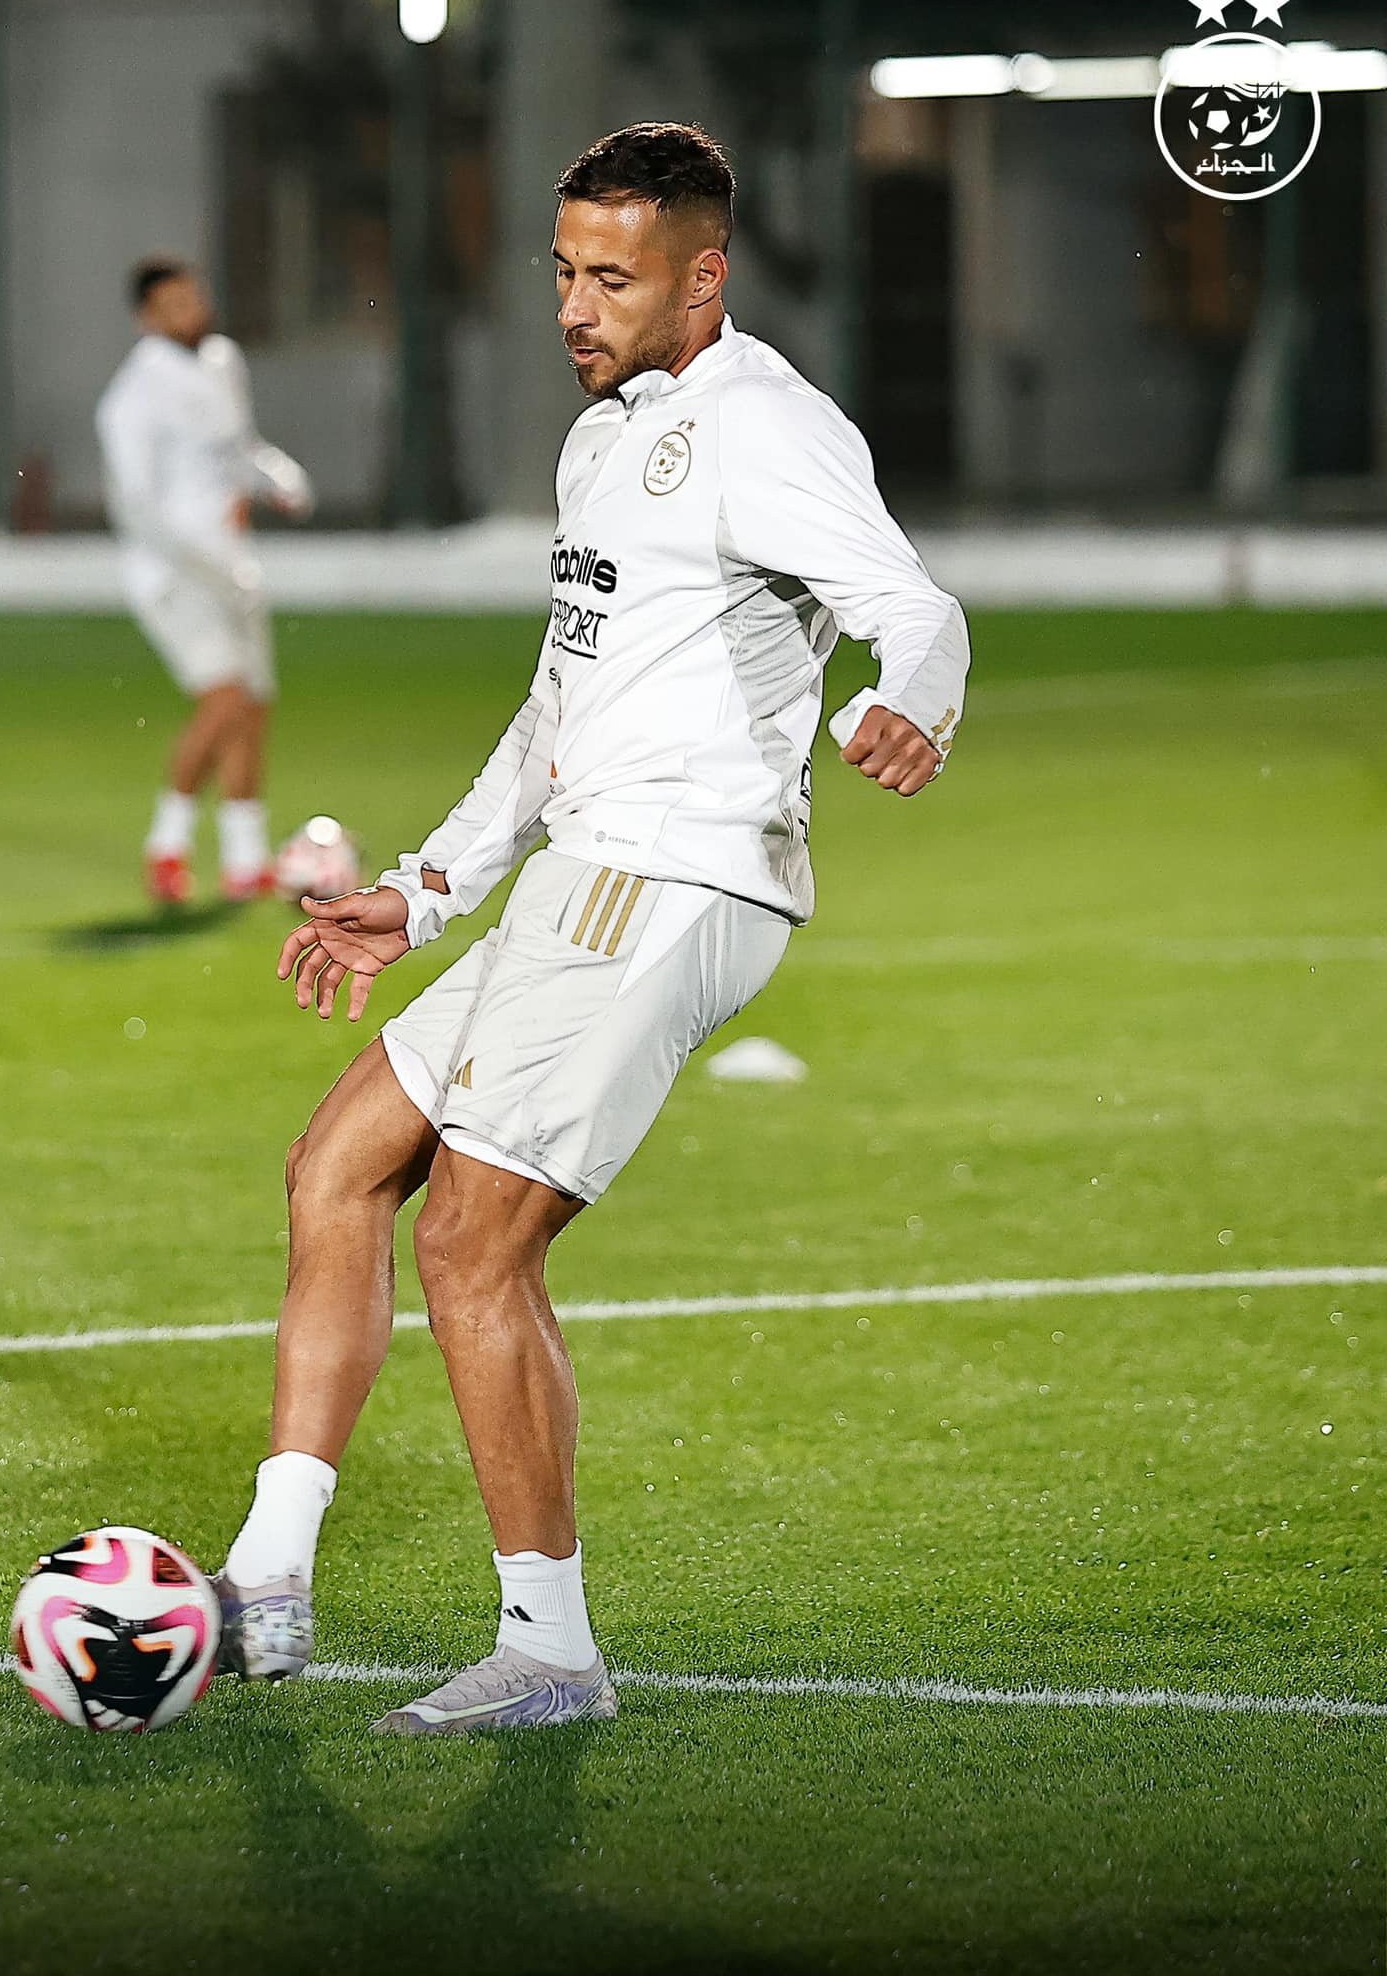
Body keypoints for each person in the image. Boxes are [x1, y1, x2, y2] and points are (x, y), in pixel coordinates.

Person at [211, 122, 970, 1734]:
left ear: (702, 280)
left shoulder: (765, 426)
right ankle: (268, 1577)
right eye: (563, 271)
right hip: (582, 873)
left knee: (472, 1242)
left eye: (611, 279)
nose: (574, 306)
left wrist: (913, 703)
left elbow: (915, 606)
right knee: (336, 1167)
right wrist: (426, 888)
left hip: (678, 876)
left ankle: (549, 1650)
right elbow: (559, 704)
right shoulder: (600, 437)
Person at [96, 258, 314, 904]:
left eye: (192, 298)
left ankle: (246, 860)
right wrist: (198, 557)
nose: (188, 312)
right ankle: (167, 845)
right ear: (145, 318)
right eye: (171, 305)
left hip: (232, 562)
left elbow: (237, 449)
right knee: (225, 700)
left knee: (253, 706)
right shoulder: (131, 397)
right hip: (174, 573)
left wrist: (277, 480)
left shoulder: (222, 361)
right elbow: (136, 504)